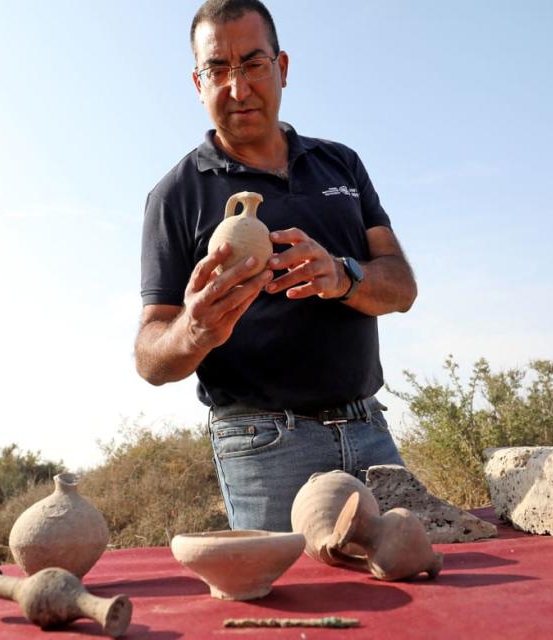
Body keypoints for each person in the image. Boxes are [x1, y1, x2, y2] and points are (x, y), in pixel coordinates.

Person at [136, 0, 417, 532]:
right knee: (286, 602)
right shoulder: (175, 195)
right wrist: (193, 330)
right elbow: (150, 358)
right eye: (217, 70)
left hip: (368, 428)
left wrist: (343, 275)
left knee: (404, 578)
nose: (238, 88)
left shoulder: (341, 164)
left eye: (252, 64)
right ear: (197, 83)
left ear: (281, 67)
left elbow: (401, 286)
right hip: (263, 447)